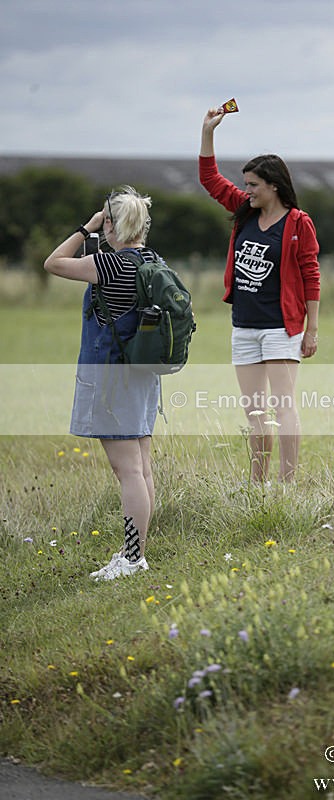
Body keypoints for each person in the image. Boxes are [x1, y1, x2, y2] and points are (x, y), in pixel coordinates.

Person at [44, 186, 160, 581]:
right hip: (141, 375)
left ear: (113, 223)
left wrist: (85, 227)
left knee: (127, 470)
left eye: (107, 220)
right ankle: (135, 553)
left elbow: (53, 263)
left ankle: (131, 558)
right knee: (141, 467)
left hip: (111, 377)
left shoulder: (109, 265)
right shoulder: (151, 260)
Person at [199, 108, 320, 482]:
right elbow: (209, 179)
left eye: (253, 184)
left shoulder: (299, 223)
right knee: (254, 413)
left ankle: (286, 484)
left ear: (274, 186)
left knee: (283, 408)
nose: (247, 190)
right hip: (245, 326)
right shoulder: (245, 212)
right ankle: (257, 483)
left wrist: (311, 329)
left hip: (281, 329)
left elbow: (311, 275)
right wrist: (207, 133)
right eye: (246, 184)